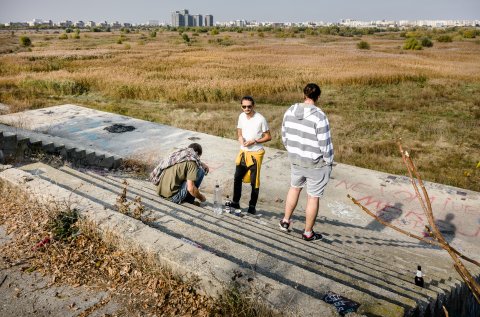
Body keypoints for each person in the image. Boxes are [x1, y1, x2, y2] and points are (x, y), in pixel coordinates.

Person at [279, 83, 334, 241]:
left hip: (296, 160)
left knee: (294, 188)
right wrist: (329, 162)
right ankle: (308, 232)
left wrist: (293, 151)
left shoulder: (290, 110)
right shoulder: (320, 116)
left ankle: (285, 221)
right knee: (313, 197)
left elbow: (284, 135)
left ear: (304, 94)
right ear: (318, 97)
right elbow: (325, 144)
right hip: (315, 164)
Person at [231, 96, 271, 214]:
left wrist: (255, 141)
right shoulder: (241, 116)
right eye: (244, 106)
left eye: (249, 106)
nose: (246, 108)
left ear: (253, 106)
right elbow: (239, 129)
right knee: (237, 178)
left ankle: (252, 207)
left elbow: (268, 136)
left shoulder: (260, 119)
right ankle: (235, 202)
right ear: (241, 106)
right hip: (243, 153)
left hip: (255, 154)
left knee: (255, 182)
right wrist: (239, 137)